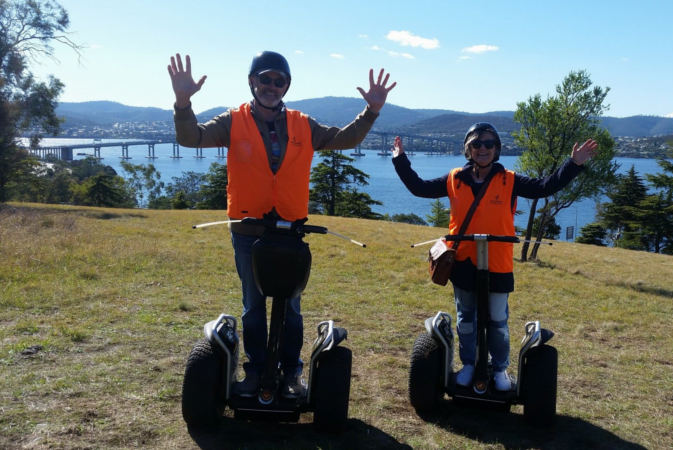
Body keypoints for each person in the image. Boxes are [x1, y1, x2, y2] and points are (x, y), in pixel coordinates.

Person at [168, 51, 396, 398]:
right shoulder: (232, 121)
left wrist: (372, 112)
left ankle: (292, 373)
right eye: (266, 79)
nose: (272, 86)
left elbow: (345, 140)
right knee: (253, 306)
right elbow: (190, 138)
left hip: (290, 229)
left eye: (280, 81)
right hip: (247, 230)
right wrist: (182, 103)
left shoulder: (303, 123)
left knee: (290, 304)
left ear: (286, 86)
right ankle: (256, 370)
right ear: (252, 82)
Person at [392, 123, 596, 391]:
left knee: (498, 321)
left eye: (488, 144)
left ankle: (499, 368)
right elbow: (419, 187)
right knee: (466, 319)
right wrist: (400, 160)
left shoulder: (509, 180)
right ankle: (468, 364)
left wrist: (574, 164)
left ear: (497, 148)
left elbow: (545, 187)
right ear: (469, 149)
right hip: (463, 261)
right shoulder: (454, 178)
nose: (483, 149)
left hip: (497, 263)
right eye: (477, 144)